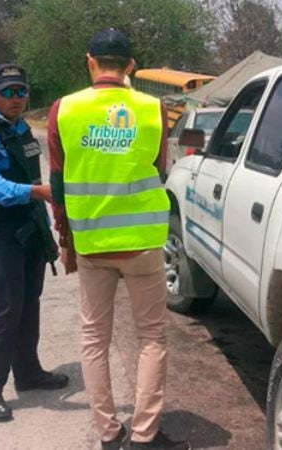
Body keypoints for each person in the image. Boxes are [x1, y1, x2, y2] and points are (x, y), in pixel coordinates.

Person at [47, 29, 189, 450]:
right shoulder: (152, 109)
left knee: (94, 338)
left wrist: (66, 239)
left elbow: (58, 183)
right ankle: (144, 436)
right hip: (143, 242)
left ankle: (109, 434)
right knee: (151, 339)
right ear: (130, 66)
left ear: (90, 61)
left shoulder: (63, 110)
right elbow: (160, 170)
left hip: (92, 245)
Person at [0, 63, 68, 422]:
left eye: (21, 91)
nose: (16, 98)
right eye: (7, 92)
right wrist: (39, 193)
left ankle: (29, 372)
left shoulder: (20, 129)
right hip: (1, 235)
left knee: (29, 304)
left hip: (30, 230)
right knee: (5, 311)